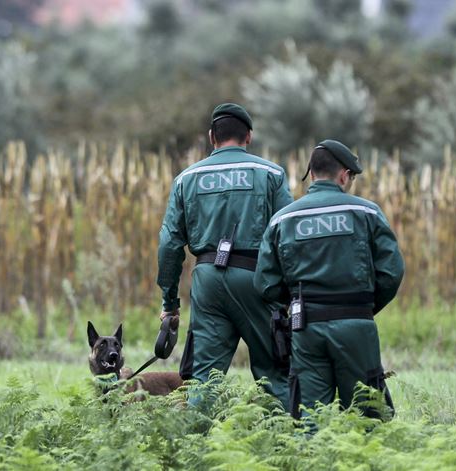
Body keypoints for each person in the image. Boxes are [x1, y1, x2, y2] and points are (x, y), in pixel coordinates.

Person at [254, 139, 404, 419]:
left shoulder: (282, 219)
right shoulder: (366, 212)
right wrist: (365, 308)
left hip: (306, 327)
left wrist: (298, 303)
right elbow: (392, 272)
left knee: (310, 418)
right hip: (357, 326)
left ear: (311, 174)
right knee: (367, 414)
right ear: (344, 175)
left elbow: (265, 283)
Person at [157, 103, 293, 407]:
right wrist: (291, 293)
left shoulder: (186, 179)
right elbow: (289, 236)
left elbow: (168, 244)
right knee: (276, 373)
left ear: (211, 137)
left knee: (203, 379)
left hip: (207, 282)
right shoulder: (271, 173)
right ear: (249, 136)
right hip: (257, 279)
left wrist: (169, 303)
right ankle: (294, 447)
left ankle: (193, 448)